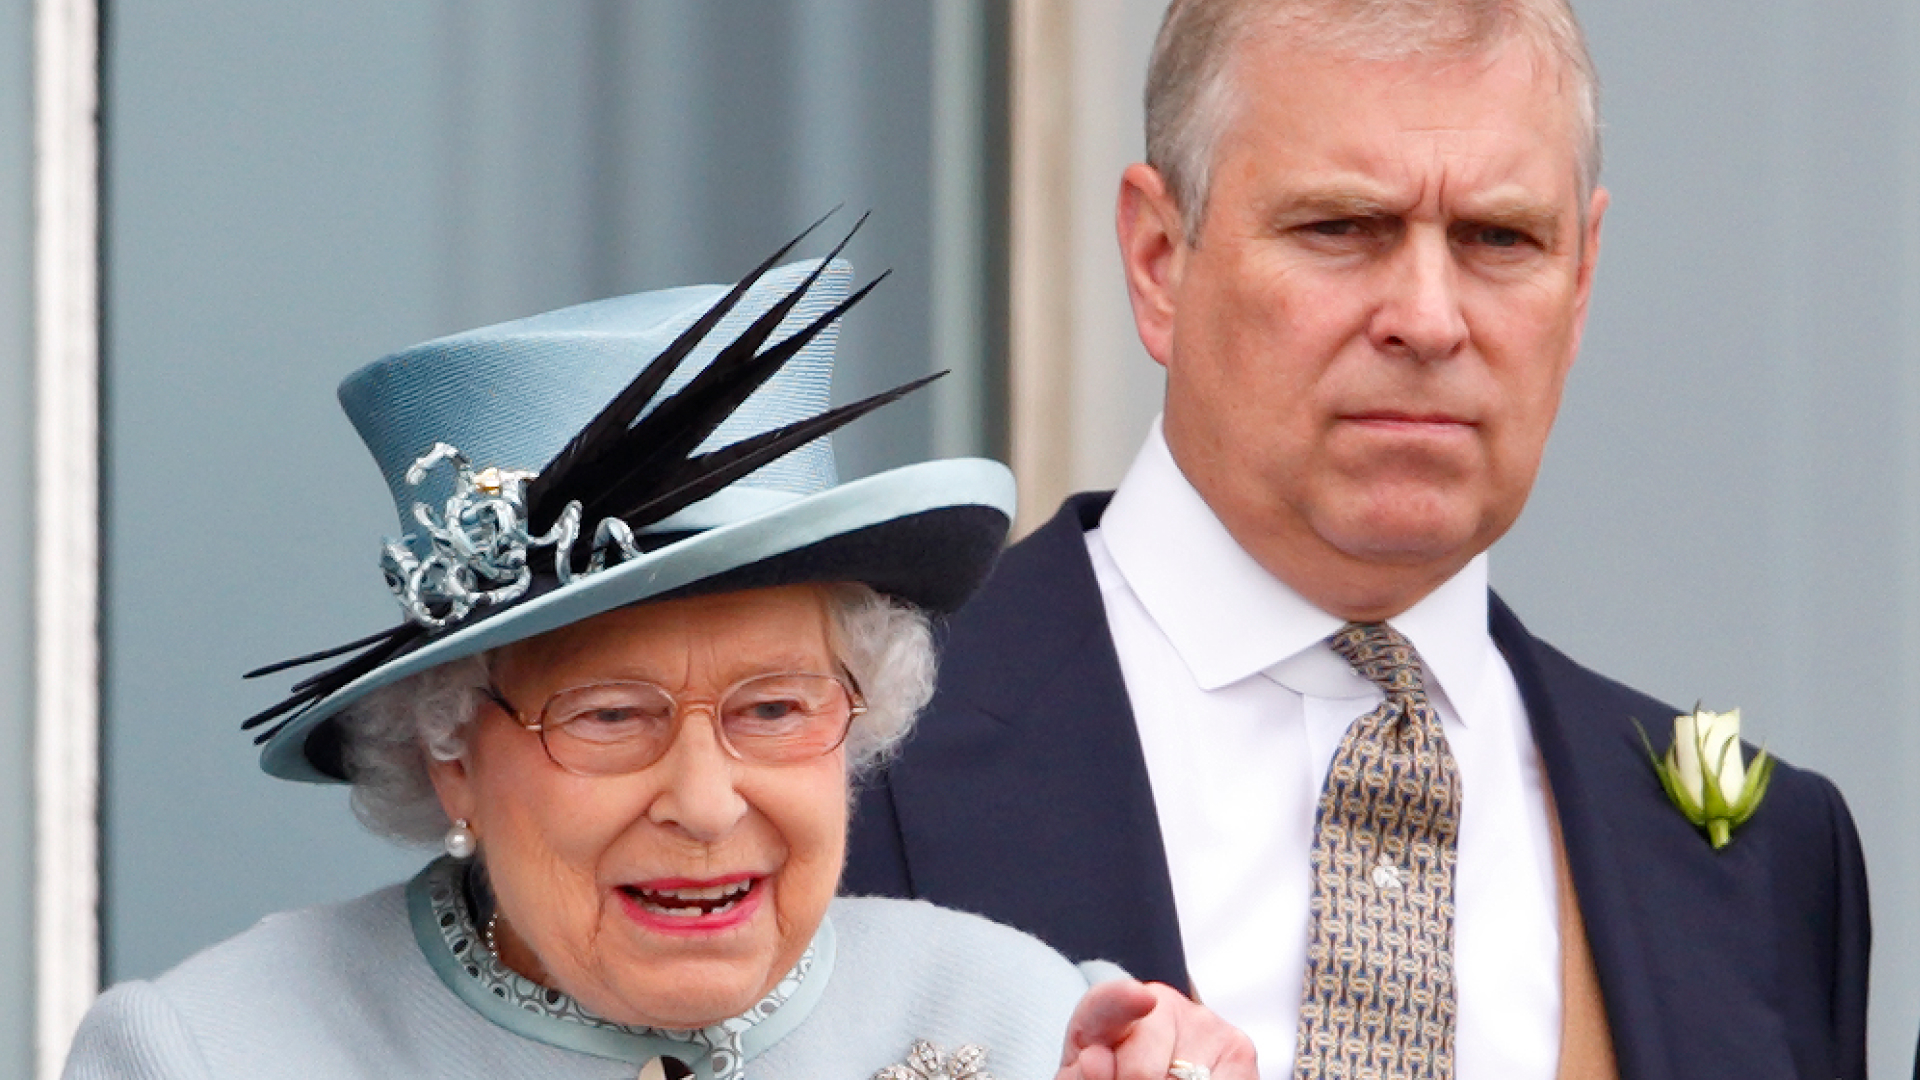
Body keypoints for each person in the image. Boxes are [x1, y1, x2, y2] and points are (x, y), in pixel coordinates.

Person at [843, 3, 1869, 1078]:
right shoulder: (828, 761)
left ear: (1581, 280)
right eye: (1341, 228)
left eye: (1499, 238)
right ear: (1157, 260)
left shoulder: (1775, 871)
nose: (1428, 319)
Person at [63, 232, 1259, 1080]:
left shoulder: (1029, 1024)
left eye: (777, 709)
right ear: (450, 758)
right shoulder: (208, 1054)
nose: (702, 801)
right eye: (607, 716)